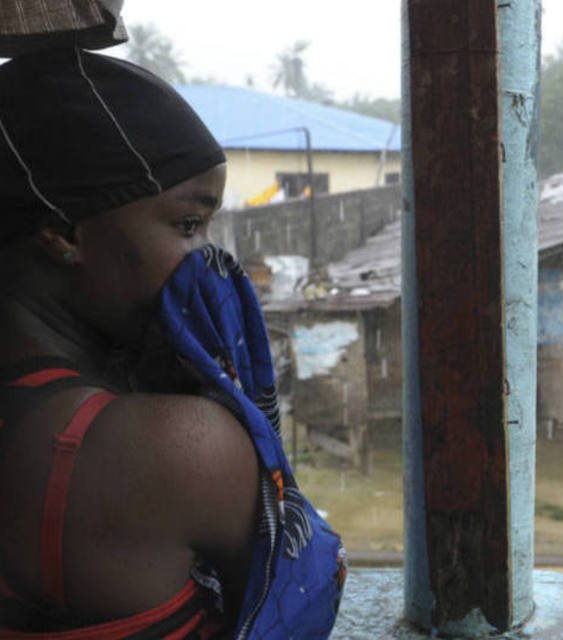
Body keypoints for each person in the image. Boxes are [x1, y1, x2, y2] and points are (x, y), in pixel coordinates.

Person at [0, 40, 342, 638]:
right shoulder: (176, 446)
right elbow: (295, 594)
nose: (208, 261)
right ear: (63, 235)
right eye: (187, 225)